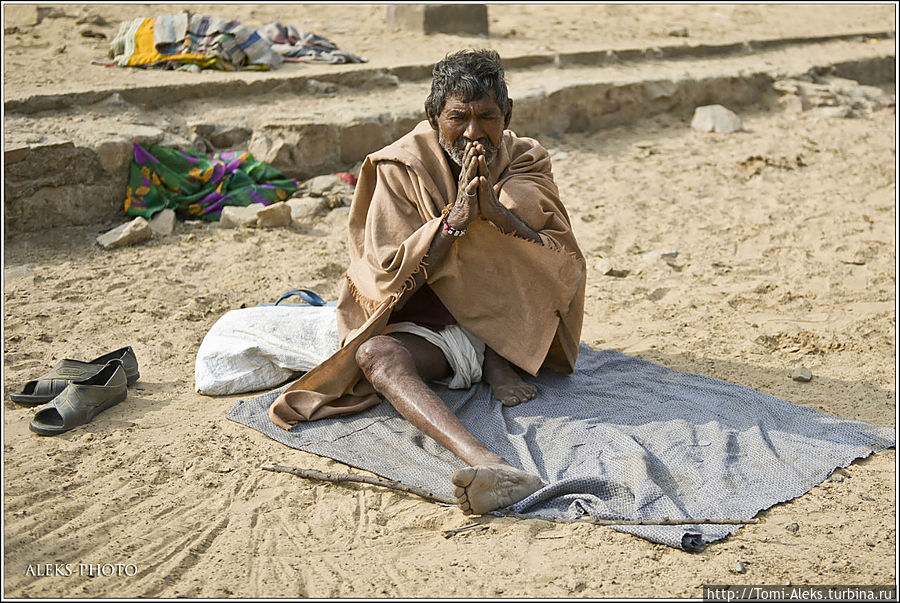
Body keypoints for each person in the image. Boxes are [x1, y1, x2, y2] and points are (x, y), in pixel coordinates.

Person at [269, 49, 586, 515]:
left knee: (516, 225)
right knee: (375, 355)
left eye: (487, 118)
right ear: (433, 116)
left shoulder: (524, 160)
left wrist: (496, 214)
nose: (474, 133)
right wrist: (452, 222)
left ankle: (499, 354)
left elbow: (562, 263)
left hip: (508, 322)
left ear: (508, 115)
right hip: (432, 326)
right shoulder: (401, 168)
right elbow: (384, 277)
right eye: (459, 118)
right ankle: (489, 462)